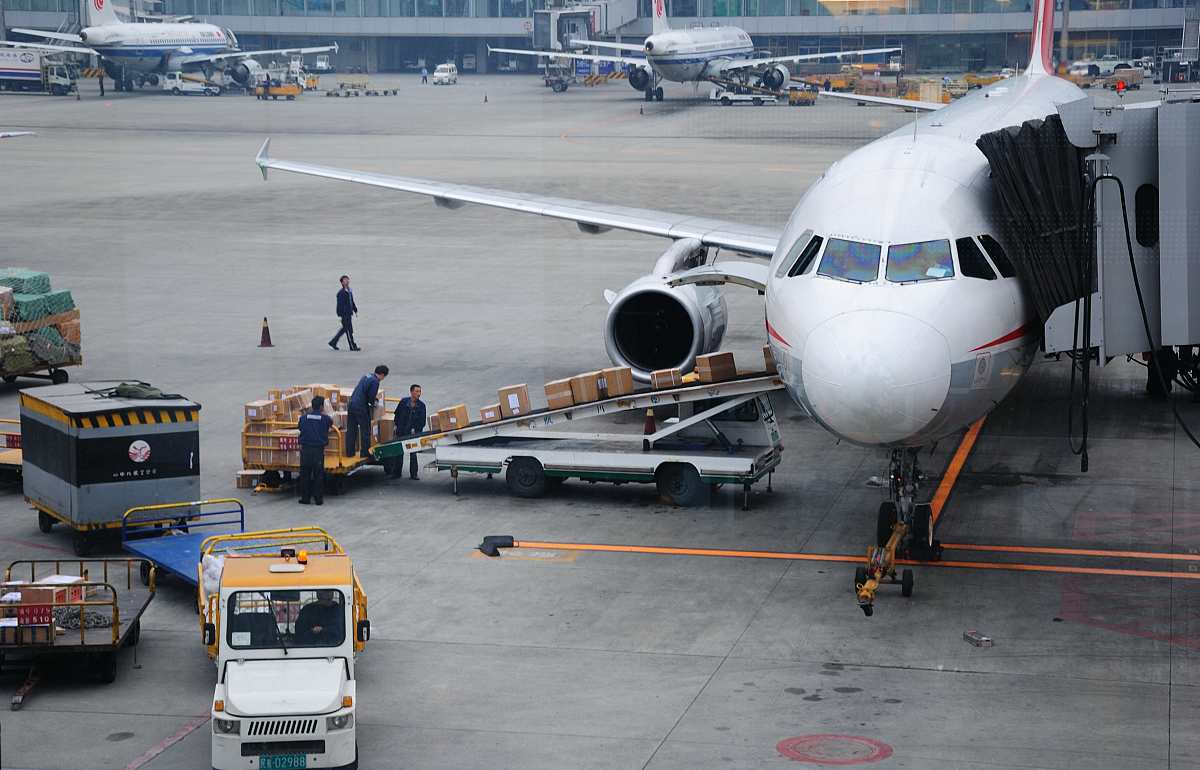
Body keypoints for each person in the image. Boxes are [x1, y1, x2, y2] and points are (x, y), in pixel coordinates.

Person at [297, 395, 333, 505]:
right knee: (318, 475)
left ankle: (305, 498)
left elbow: (300, 427)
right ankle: (318, 499)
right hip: (317, 450)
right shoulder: (325, 419)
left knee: (305, 474)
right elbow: (330, 423)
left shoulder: (304, 417)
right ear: (321, 407)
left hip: (305, 450)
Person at [347, 365, 387, 458]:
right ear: (382, 375)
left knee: (351, 428)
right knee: (365, 428)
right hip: (360, 406)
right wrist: (375, 404)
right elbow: (370, 397)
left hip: (352, 403)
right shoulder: (375, 381)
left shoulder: (367, 376)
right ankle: (364, 451)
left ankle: (350, 451)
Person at [390, 384, 426, 479]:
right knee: (399, 452)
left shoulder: (421, 406)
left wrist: (416, 429)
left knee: (413, 454)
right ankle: (397, 472)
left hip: (413, 434)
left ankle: (414, 473)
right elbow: (397, 414)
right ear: (411, 392)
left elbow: (422, 421)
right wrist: (396, 425)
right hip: (402, 431)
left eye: (420, 391)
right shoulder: (403, 402)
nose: (419, 394)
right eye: (417, 391)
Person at [329, 275, 360, 351]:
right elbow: (339, 305)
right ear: (342, 282)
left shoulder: (349, 291)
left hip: (349, 313)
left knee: (345, 329)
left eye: (347, 279)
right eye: (345, 279)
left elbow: (351, 302)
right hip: (344, 315)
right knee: (349, 330)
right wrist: (339, 315)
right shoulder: (341, 293)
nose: (347, 281)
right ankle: (352, 346)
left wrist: (355, 310)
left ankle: (333, 342)